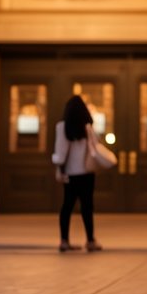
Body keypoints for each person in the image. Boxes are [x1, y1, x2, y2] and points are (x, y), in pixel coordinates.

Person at [52, 95, 103, 253]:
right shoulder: (88, 127)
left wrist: (58, 164)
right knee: (87, 207)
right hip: (87, 173)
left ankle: (64, 240)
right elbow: (96, 146)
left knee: (67, 206)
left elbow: (60, 152)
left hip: (70, 174)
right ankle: (90, 240)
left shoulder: (62, 127)